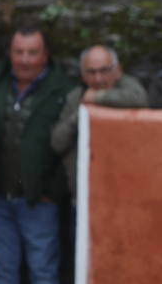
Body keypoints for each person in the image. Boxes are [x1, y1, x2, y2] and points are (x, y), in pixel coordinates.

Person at [0, 24, 73, 284]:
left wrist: (53, 192)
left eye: (32, 52)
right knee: (3, 271)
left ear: (45, 55)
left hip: (40, 200)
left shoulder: (61, 89)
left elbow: (67, 144)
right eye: (18, 52)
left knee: (43, 272)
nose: (24, 60)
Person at [50, 45, 148, 201]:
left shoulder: (128, 87)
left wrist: (98, 98)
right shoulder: (76, 97)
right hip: (84, 195)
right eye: (91, 72)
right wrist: (81, 113)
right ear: (82, 75)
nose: (98, 79)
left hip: (125, 192)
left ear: (118, 70)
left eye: (104, 71)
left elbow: (139, 99)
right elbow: (57, 142)